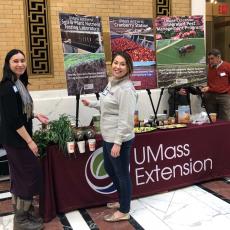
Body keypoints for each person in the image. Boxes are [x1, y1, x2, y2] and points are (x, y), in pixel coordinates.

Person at [82, 51, 137, 222]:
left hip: (118, 139)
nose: (117, 67)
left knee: (121, 174)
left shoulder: (126, 89)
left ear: (128, 68)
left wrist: (118, 143)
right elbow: (107, 105)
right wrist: (91, 104)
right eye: (115, 63)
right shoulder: (112, 83)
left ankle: (125, 209)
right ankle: (122, 200)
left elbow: (126, 118)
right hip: (108, 137)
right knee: (109, 168)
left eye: (122, 64)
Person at [0, 49, 49, 230]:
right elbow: (13, 120)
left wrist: (35, 115)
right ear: (8, 64)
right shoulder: (6, 87)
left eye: (22, 60)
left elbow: (19, 111)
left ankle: (25, 215)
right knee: (27, 176)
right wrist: (30, 141)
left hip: (19, 139)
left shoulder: (18, 83)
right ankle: (20, 221)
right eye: (15, 61)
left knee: (23, 177)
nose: (20, 64)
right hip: (16, 141)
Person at [201, 49, 230, 120]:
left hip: (224, 97)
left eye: (212, 58)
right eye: (209, 59)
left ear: (219, 57)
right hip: (210, 97)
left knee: (225, 119)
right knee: (212, 120)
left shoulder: (228, 66)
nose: (210, 61)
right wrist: (203, 86)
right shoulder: (207, 68)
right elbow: (203, 80)